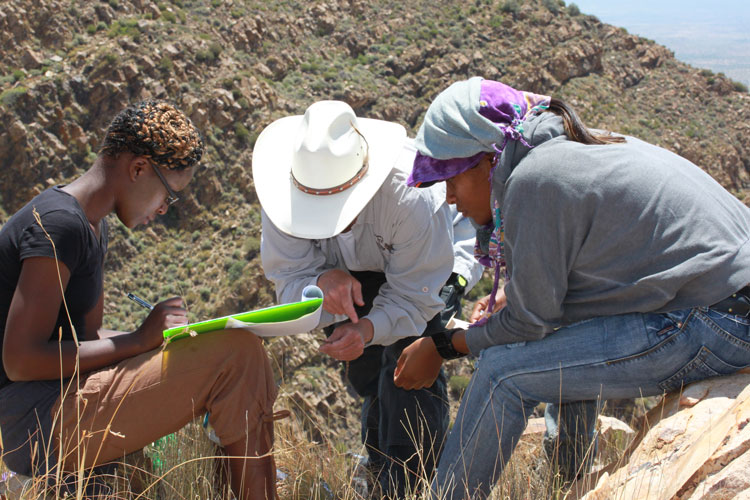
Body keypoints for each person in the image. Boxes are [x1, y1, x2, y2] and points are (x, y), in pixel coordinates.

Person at [398, 76, 750, 499]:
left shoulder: (534, 179)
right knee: (551, 345)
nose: (450, 197)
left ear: (489, 159)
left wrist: (443, 345)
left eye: (452, 177)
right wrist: (521, 295)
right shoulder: (573, 148)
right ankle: (569, 483)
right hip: (727, 306)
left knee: (502, 373)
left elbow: (531, 324)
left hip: (718, 320)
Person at [0, 100, 281, 500]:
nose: (164, 209)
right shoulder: (59, 223)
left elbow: (88, 334)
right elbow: (20, 359)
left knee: (229, 350)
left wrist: (168, 338)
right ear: (137, 169)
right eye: (168, 193)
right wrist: (138, 341)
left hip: (60, 406)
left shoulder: (91, 227)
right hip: (39, 419)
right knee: (238, 353)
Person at [254, 100, 482, 498]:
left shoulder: (413, 195)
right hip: (351, 272)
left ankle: (414, 482)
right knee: (367, 374)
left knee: (409, 368)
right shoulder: (282, 191)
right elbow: (288, 277)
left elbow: (416, 297)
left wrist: (369, 326)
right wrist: (322, 281)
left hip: (429, 267)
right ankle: (381, 472)